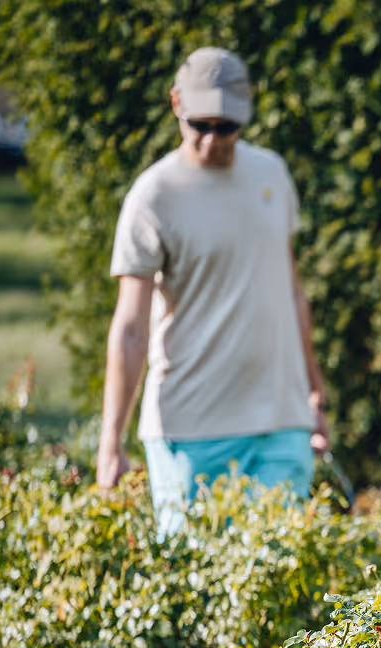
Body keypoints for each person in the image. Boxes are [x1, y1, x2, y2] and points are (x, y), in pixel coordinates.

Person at [96, 47, 328, 535]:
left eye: (227, 127)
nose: (211, 140)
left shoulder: (271, 174)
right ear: (176, 103)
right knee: (194, 575)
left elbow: (291, 291)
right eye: (200, 124)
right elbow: (131, 329)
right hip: (190, 431)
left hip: (281, 424)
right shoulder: (153, 196)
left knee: (284, 572)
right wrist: (110, 441)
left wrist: (313, 394)